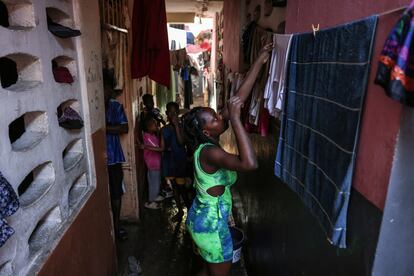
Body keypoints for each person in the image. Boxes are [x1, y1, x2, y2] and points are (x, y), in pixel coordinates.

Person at [182, 43, 273, 276]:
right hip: (210, 227)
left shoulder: (208, 141)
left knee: (210, 269)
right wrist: (234, 119)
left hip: (204, 220)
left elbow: (238, 100)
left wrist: (259, 62)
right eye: (214, 118)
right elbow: (250, 163)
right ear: (206, 132)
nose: (218, 117)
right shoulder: (210, 153)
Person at [104, 83, 129, 241]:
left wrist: (104, 128)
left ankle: (117, 225)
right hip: (98, 160)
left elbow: (124, 128)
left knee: (116, 193)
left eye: (107, 89)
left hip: (114, 158)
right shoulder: (93, 107)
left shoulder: (116, 106)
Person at [161, 102, 192, 220]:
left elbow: (181, 142)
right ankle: (180, 211)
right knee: (174, 187)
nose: (173, 115)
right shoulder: (164, 130)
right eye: (170, 112)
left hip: (180, 162)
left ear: (178, 113)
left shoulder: (182, 126)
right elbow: (163, 147)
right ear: (167, 113)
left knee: (182, 187)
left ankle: (190, 210)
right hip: (170, 162)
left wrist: (177, 126)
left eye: (175, 112)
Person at [141, 116, 163, 209]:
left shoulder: (152, 135)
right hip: (153, 162)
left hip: (156, 162)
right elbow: (158, 148)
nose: (157, 125)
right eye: (154, 124)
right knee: (153, 182)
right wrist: (163, 149)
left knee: (156, 180)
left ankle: (155, 195)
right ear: (149, 127)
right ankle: (151, 201)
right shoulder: (148, 136)